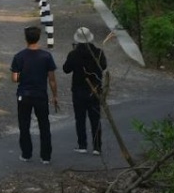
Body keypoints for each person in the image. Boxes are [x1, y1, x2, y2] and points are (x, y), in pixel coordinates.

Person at [10, 25, 59, 164]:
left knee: (24, 125)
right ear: (38, 38)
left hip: (24, 95)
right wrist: (55, 95)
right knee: (44, 125)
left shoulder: (19, 57)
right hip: (40, 95)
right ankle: (46, 156)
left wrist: (23, 76)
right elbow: (52, 79)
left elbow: (14, 79)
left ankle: (26, 154)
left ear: (26, 38)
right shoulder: (46, 56)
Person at [62, 27, 108, 155]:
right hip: (95, 89)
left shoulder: (74, 54)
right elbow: (103, 66)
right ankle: (97, 147)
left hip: (78, 90)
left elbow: (66, 69)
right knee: (95, 119)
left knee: (80, 118)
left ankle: (82, 144)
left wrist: (73, 54)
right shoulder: (98, 53)